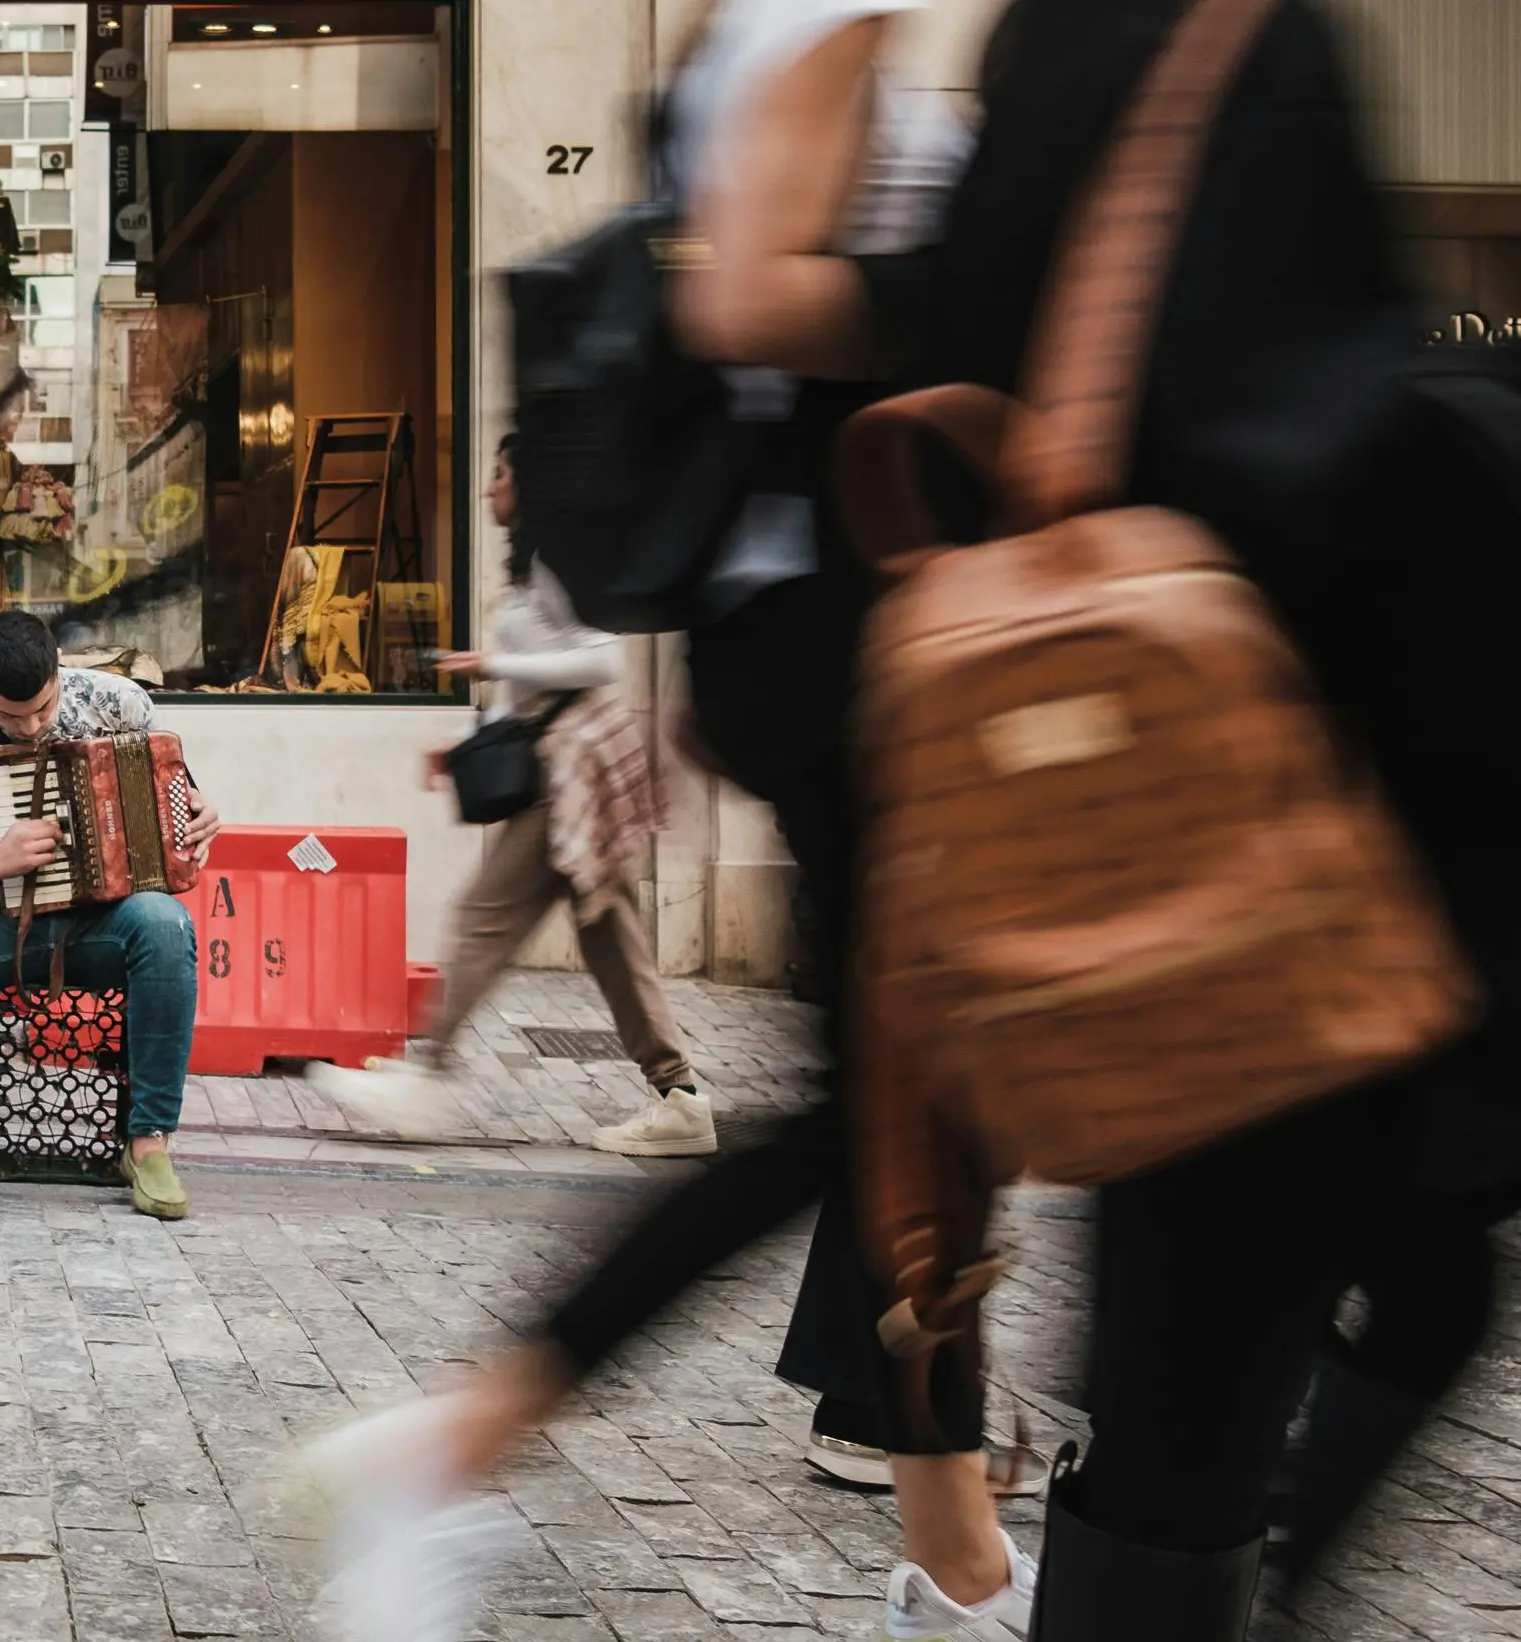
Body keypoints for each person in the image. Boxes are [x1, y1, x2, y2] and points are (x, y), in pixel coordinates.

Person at [294, 5, 1039, 1640]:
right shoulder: (813, 33)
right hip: (860, 635)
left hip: (851, 631)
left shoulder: (812, 39)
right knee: (886, 1113)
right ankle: (460, 1441)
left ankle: (956, 1555)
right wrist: (1004, 308)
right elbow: (746, 297)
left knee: (913, 1117)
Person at [866, 0, 1517, 1629]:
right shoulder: (1245, 46)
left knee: (1195, 1385)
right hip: (1293, 838)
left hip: (1092, 837)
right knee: (1350, 1307)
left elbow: (962, 373)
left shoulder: (1049, 54)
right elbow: (1337, 447)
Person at [304, 438, 712, 1156]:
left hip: (572, 775)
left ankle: (425, 1082)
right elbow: (531, 694)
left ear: (531, 482)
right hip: (560, 765)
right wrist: (466, 744)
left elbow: (604, 657)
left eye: (500, 471)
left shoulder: (561, 557)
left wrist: (493, 660)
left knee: (480, 919)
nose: (489, 484)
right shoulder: (530, 565)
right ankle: (680, 1096)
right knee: (613, 940)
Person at [0, 609, 222, 1225]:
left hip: (107, 918)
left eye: (43, 707)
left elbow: (177, 807)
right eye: (12, 716)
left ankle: (147, 1146)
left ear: (59, 669)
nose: (33, 725)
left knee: (169, 926)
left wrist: (200, 821)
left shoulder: (120, 704)